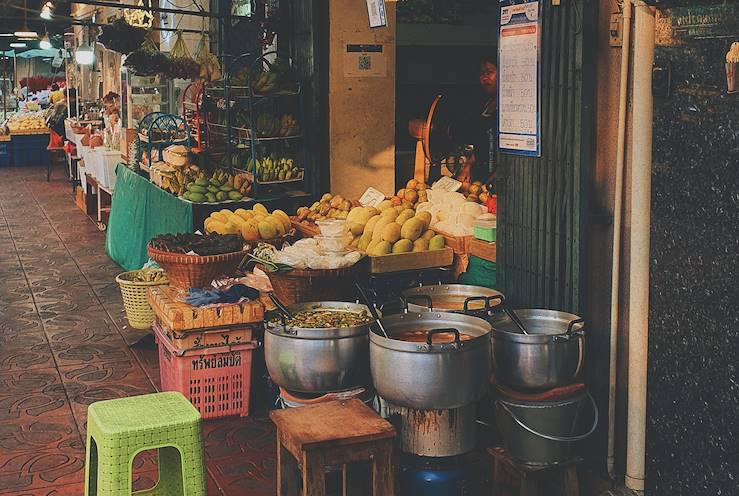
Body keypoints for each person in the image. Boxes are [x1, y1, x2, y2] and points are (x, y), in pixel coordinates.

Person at [457, 54, 498, 185]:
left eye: (490, 72)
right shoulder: (485, 104)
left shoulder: (509, 106)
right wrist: (468, 165)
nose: (485, 77)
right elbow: (482, 142)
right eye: (482, 73)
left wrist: (499, 173)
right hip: (484, 176)